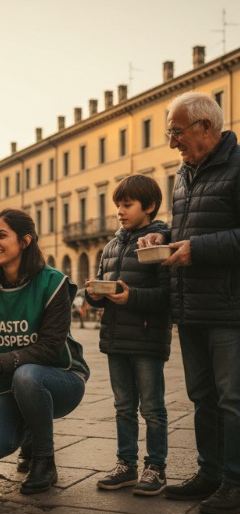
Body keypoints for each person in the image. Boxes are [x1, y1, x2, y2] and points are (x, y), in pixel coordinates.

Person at [137, 91, 240, 514]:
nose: (171, 142)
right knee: (201, 396)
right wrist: (163, 236)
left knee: (232, 399)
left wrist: (197, 249)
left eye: (176, 132)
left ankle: (234, 481)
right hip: (192, 305)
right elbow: (189, 228)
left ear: (206, 127)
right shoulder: (185, 174)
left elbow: (209, 238)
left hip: (230, 308)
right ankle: (209, 472)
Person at [0, 208, 89, 495]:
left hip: (60, 380)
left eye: (1, 235)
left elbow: (49, 349)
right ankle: (30, 432)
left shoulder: (53, 283)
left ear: (25, 241)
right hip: (9, 387)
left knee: (27, 375)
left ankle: (44, 460)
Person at [85, 175, 171, 496]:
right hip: (115, 338)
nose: (120, 211)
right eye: (117, 205)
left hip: (147, 338)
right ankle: (126, 465)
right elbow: (102, 284)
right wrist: (94, 294)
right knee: (123, 406)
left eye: (127, 205)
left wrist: (131, 296)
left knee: (151, 408)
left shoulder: (158, 242)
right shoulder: (112, 246)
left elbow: (167, 296)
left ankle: (156, 467)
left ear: (149, 207)